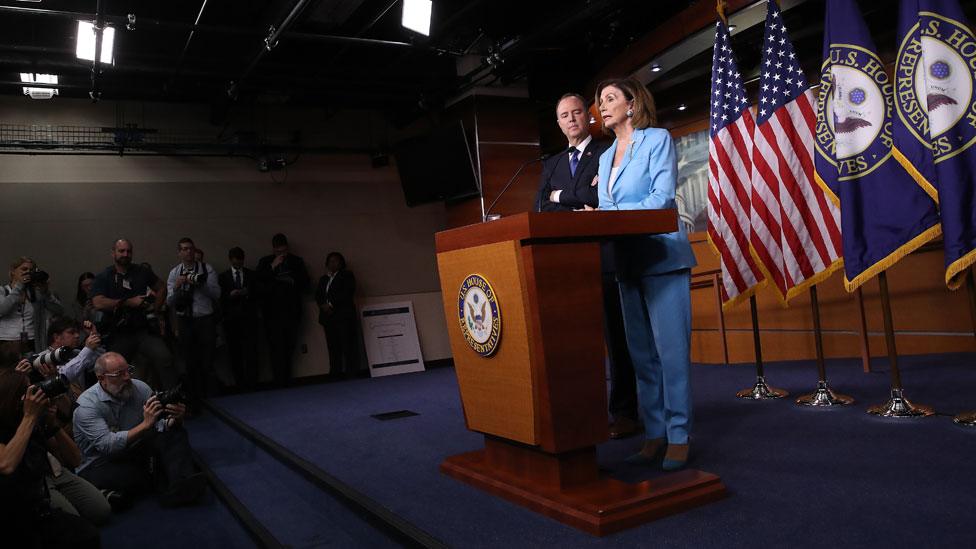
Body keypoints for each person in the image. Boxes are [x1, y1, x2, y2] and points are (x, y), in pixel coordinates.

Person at [593, 78, 698, 470]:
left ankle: (679, 435)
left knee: (671, 354)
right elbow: (605, 207)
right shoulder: (605, 158)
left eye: (610, 98)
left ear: (632, 104)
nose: (602, 106)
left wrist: (606, 217)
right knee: (642, 357)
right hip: (627, 262)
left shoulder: (657, 140)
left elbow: (661, 199)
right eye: (600, 101)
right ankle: (654, 434)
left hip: (663, 257)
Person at [536, 93, 640, 439]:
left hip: (606, 259)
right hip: (566, 264)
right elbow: (541, 210)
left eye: (577, 112)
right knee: (574, 345)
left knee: (617, 341)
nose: (571, 119)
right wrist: (571, 201)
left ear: (588, 116)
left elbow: (600, 199)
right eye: (564, 115)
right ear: (559, 123)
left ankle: (625, 413)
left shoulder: (606, 151)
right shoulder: (550, 164)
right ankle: (582, 414)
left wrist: (560, 197)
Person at [72, 352, 205, 507]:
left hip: (134, 448)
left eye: (128, 370)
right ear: (102, 378)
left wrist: (176, 419)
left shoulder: (140, 388)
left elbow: (158, 425)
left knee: (175, 433)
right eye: (119, 374)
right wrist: (145, 425)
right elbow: (107, 445)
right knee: (139, 473)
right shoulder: (87, 405)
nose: (127, 377)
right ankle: (166, 479)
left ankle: (179, 484)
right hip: (100, 461)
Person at [0, 370, 102, 548]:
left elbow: (75, 459)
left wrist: (52, 424)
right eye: (28, 391)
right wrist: (29, 417)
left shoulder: (32, 420)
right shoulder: (9, 423)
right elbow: (6, 465)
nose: (35, 395)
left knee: (91, 529)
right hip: (9, 510)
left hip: (38, 493)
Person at [90, 239, 177, 389]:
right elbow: (98, 302)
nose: (125, 254)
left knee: (165, 358)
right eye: (121, 251)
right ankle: (115, 406)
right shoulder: (105, 276)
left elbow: (162, 287)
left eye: (128, 251)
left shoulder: (141, 271)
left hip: (143, 330)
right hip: (119, 333)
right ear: (113, 253)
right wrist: (128, 302)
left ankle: (173, 402)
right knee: (112, 369)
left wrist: (155, 309)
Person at [166, 238, 221, 408]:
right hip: (185, 321)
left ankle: (214, 402)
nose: (187, 252)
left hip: (204, 320)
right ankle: (195, 402)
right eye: (183, 249)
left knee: (208, 361)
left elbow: (216, 294)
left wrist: (199, 283)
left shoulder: (207, 269)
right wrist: (176, 287)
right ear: (179, 252)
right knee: (189, 362)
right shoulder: (175, 273)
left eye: (190, 248)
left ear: (194, 250)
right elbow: (169, 302)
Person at [257, 233, 309, 385]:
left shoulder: (296, 262)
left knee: (289, 347)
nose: (282, 255)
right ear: (273, 250)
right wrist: (273, 266)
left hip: (291, 311)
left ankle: (288, 379)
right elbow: (258, 283)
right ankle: (278, 380)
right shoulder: (265, 262)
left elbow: (305, 284)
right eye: (279, 252)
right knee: (275, 348)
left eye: (284, 251)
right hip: (272, 313)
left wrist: (292, 280)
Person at [0, 257, 64, 356]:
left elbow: (59, 310)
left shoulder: (35, 293)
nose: (28, 273)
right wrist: (18, 287)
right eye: (24, 269)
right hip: (7, 341)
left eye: (31, 270)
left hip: (32, 342)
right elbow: (2, 310)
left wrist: (46, 292)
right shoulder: (3, 291)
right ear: (13, 271)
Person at [218, 247, 259, 391]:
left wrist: (246, 293)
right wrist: (230, 295)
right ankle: (240, 384)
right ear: (230, 260)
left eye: (240, 261)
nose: (238, 264)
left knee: (251, 352)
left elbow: (258, 294)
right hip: (231, 321)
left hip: (249, 319)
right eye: (235, 261)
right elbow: (219, 298)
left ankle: (252, 383)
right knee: (235, 354)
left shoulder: (251, 275)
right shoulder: (223, 277)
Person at [314, 252, 359, 379]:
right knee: (333, 346)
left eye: (336, 261)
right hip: (328, 318)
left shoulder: (346, 275)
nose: (333, 263)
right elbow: (318, 295)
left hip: (343, 316)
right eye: (330, 261)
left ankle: (351, 373)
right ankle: (335, 373)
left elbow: (347, 292)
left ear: (341, 263)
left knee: (347, 344)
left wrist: (331, 304)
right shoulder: (324, 279)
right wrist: (323, 305)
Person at [47, 316, 104, 387]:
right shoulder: (42, 360)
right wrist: (88, 350)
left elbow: (103, 364)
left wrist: (94, 335)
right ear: (56, 337)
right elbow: (64, 375)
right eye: (71, 332)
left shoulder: (76, 353)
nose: (77, 335)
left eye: (77, 332)